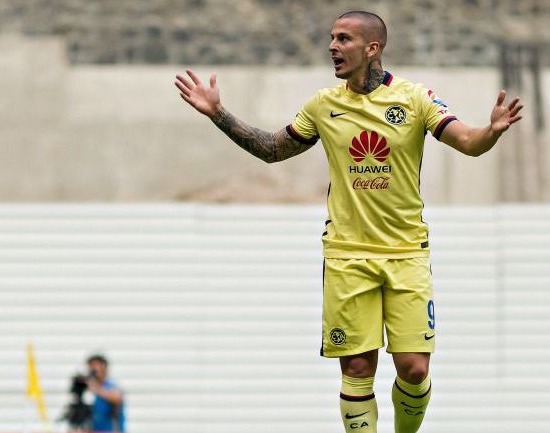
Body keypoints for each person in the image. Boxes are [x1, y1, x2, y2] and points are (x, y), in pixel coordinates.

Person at [175, 10, 523, 433]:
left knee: (413, 369)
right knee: (357, 367)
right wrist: (218, 113)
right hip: (346, 255)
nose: (333, 47)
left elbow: (468, 142)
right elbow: (271, 149)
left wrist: (493, 129)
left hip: (406, 252)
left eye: (343, 39)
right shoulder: (325, 105)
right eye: (332, 38)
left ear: (371, 48)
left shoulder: (416, 99)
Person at [85, 354, 126, 432]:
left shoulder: (111, 384)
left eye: (95, 365)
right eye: (90, 366)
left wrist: (96, 389)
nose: (93, 369)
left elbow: (116, 398)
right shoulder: (90, 388)